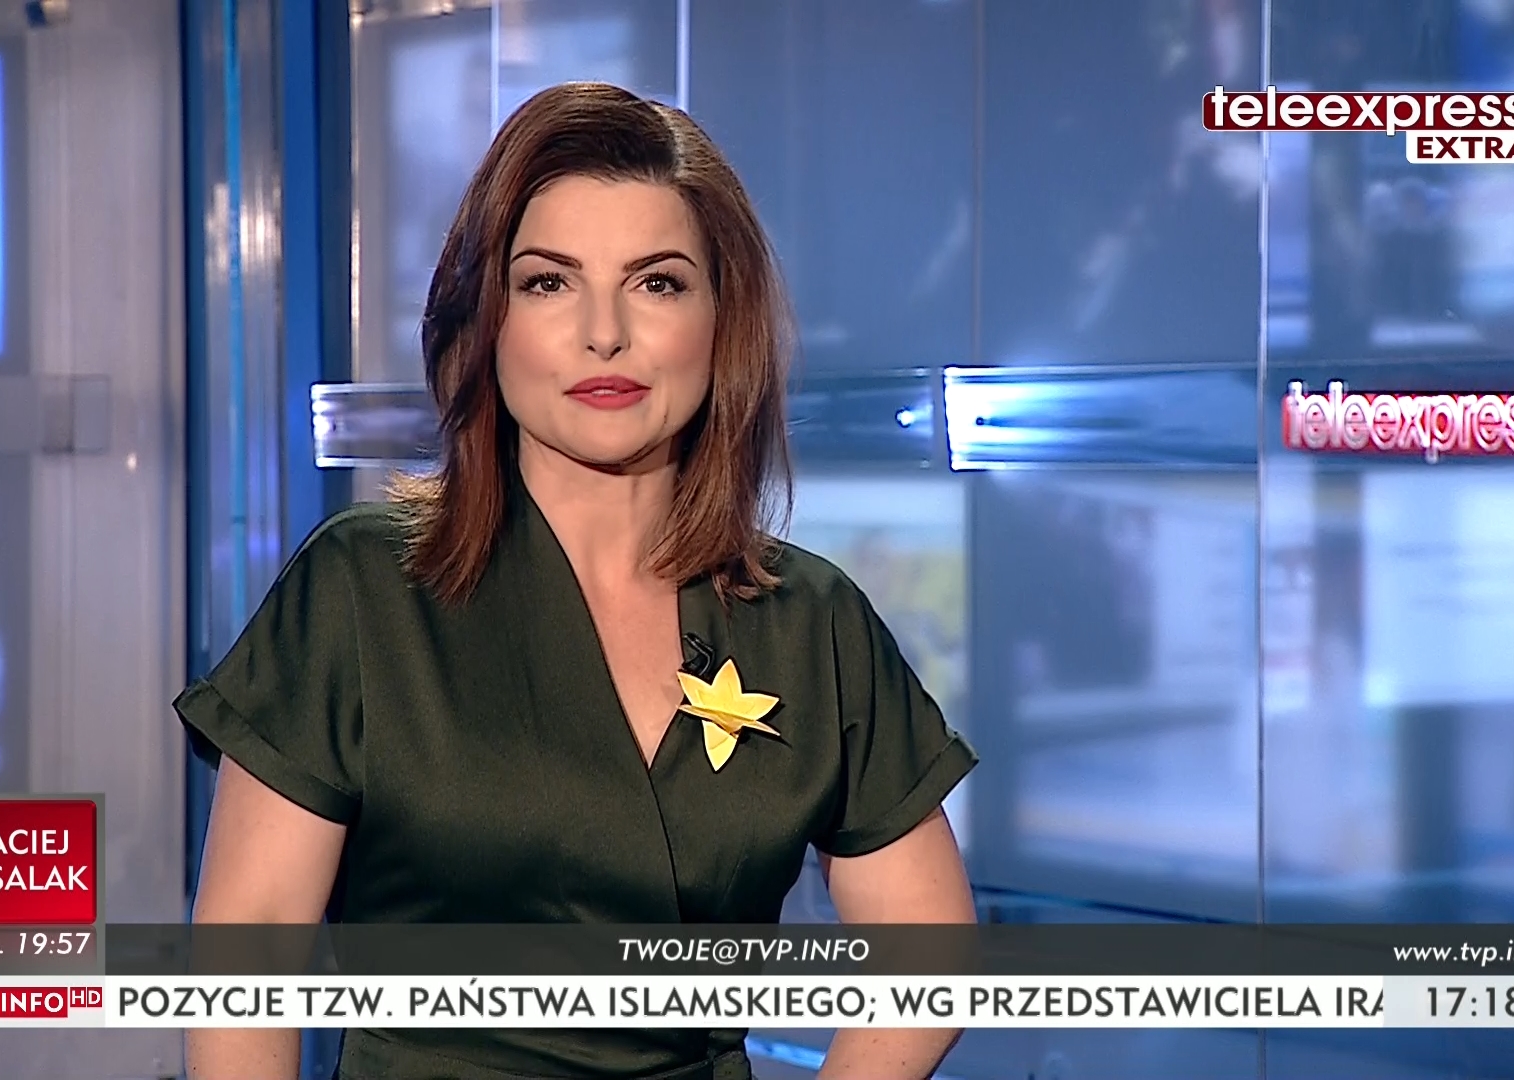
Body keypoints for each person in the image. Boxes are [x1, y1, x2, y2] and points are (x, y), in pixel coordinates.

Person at [175, 82, 979, 1080]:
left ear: (721, 321)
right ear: (487, 319)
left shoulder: (810, 621)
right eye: (550, 282)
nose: (605, 333)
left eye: (658, 283)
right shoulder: (361, 589)